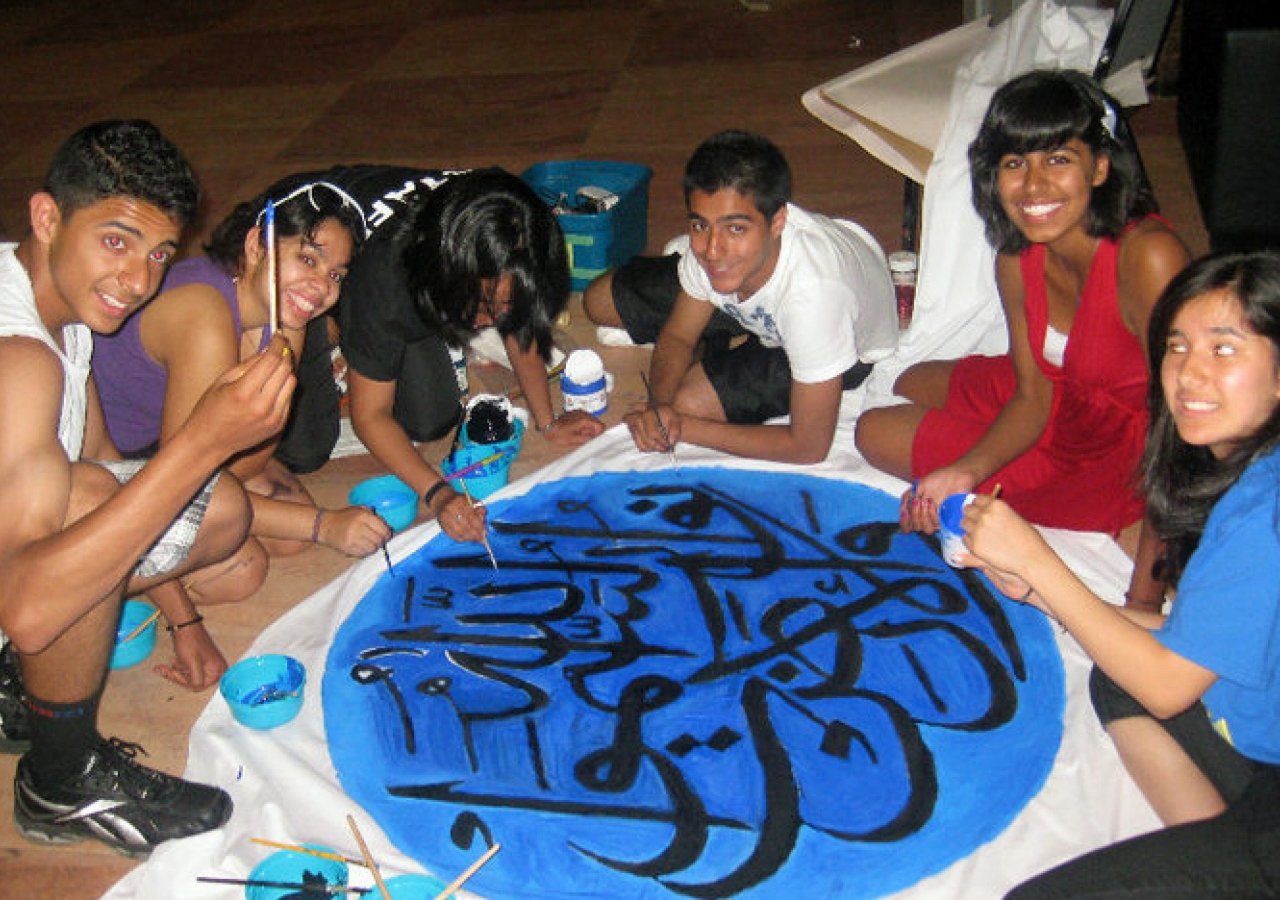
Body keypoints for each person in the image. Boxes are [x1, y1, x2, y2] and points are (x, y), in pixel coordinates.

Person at [0, 120, 297, 855]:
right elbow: (32, 606)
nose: (138, 280)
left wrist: (184, 619)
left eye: (159, 252)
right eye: (115, 241)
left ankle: (13, 683)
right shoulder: (19, 358)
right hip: (18, 590)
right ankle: (61, 783)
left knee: (219, 512)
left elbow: (102, 461)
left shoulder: (63, 309)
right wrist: (203, 441)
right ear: (47, 217)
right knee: (96, 507)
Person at [954, 251, 1280, 899]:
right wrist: (1043, 590)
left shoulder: (1264, 512)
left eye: (1225, 349)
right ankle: (1217, 864)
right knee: (1119, 673)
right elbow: (1189, 639)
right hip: (1258, 734)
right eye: (1177, 347)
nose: (1189, 374)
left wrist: (1037, 559)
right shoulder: (1247, 474)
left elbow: (1168, 686)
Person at [854, 69, 1189, 606]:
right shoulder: (1017, 253)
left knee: (873, 431)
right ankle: (979, 451)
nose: (1033, 186)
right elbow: (1032, 395)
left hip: (1106, 451)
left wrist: (1142, 603)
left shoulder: (1148, 258)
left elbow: (1180, 437)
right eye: (1015, 163)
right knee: (912, 377)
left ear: (1100, 167)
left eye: (1058, 159)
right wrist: (969, 469)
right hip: (1053, 395)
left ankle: (1098, 511)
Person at [92, 174, 390, 616]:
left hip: (177, 446)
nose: (321, 287)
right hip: (115, 462)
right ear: (256, 245)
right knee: (243, 567)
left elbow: (254, 448)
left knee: (284, 523)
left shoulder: (284, 311)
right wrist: (325, 525)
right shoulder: (204, 313)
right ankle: (98, 586)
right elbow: (186, 483)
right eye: (307, 259)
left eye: (335, 274)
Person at [278, 165, 605, 546]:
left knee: (431, 420)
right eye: (483, 306)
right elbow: (370, 417)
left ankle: (358, 333)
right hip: (302, 259)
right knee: (303, 450)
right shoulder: (387, 277)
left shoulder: (507, 231)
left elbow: (519, 320)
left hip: (410, 278)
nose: (489, 323)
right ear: (447, 275)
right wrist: (439, 495)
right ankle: (331, 325)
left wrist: (548, 422)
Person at [583, 129, 899, 465]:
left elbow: (809, 447)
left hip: (847, 342)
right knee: (599, 300)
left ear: (778, 221)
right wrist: (659, 404)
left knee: (689, 402)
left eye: (736, 228)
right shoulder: (715, 251)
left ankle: (723, 342)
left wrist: (682, 425)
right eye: (699, 225)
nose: (712, 248)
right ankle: (724, 335)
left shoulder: (814, 297)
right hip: (749, 278)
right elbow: (677, 335)